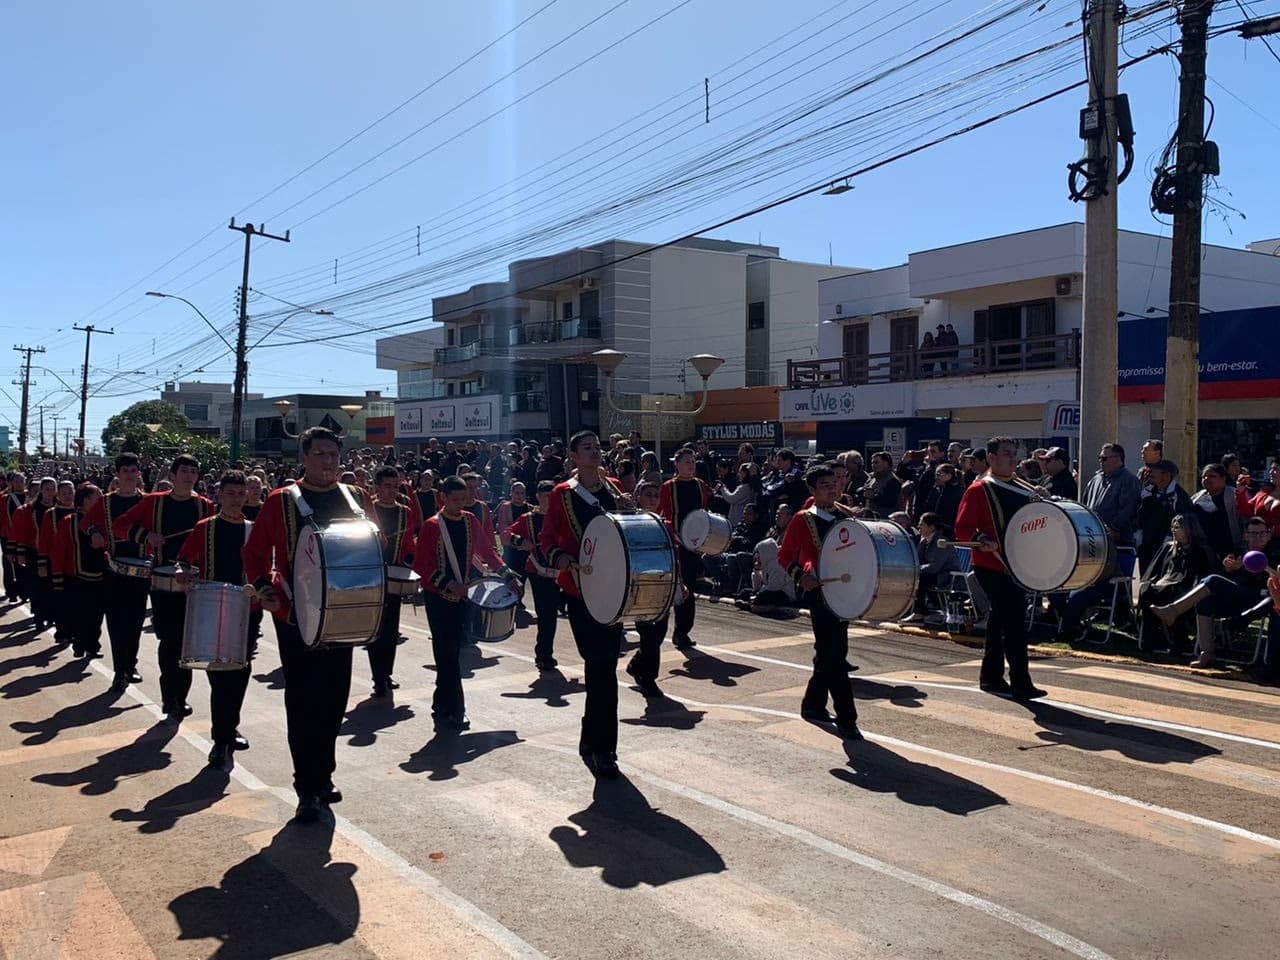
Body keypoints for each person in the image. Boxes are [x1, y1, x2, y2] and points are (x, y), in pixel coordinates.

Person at [242, 427, 369, 823]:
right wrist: (266, 587)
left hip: (343, 616)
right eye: (320, 454)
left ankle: (324, 775)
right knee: (302, 702)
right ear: (304, 457)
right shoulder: (282, 501)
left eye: (334, 454)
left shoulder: (355, 497)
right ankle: (305, 787)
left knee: (333, 700)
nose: (329, 461)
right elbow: (255, 552)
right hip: (296, 615)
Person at [540, 431, 629, 777]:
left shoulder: (615, 487)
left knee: (606, 669)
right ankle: (601, 746)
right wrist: (561, 558)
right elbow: (547, 539)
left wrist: (629, 511)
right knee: (598, 665)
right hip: (580, 590)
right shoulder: (563, 494)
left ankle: (597, 742)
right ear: (574, 456)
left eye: (598, 447)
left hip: (614, 588)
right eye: (587, 448)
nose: (595, 452)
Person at [414, 475, 522, 731]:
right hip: (439, 598)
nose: (459, 504)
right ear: (443, 498)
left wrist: (507, 574)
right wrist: (449, 584)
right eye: (454, 500)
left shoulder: (469, 520)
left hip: (464, 597)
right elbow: (421, 566)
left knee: (452, 655)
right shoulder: (432, 526)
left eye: (463, 499)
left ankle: (442, 705)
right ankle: (455, 710)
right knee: (447, 655)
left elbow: (487, 551)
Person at [113, 454, 215, 720]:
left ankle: (179, 698)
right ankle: (170, 696)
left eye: (193, 471)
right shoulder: (154, 503)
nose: (189, 476)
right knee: (170, 641)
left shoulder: (205, 506)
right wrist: (146, 536)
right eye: (184, 471)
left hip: (193, 583)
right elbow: (120, 525)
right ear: (172, 475)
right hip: (161, 583)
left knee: (187, 643)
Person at [175, 470, 262, 766]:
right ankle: (221, 738)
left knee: (239, 672)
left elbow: (266, 567)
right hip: (212, 608)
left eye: (241, 494)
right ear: (219, 495)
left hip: (247, 610)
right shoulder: (205, 528)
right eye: (231, 494)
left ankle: (228, 728)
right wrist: (183, 573)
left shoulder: (254, 529)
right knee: (219, 675)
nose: (237, 499)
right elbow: (184, 560)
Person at [954, 436, 1047, 699]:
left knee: (1000, 619)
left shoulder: (1023, 487)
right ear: (992, 458)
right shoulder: (979, 489)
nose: (1012, 459)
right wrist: (981, 540)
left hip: (1016, 565)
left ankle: (991, 676)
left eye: (1014, 454)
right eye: (1006, 454)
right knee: (1015, 621)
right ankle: (1021, 681)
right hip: (990, 564)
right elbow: (962, 530)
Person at [777, 463, 862, 739]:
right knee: (835, 655)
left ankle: (812, 705)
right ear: (812, 490)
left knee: (829, 653)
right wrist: (801, 575)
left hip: (844, 593)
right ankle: (847, 718)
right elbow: (785, 555)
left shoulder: (845, 517)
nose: (833, 488)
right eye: (825, 485)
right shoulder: (803, 519)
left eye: (835, 483)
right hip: (819, 593)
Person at [1151, 516, 1279, 667]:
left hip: (1262, 597)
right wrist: (1228, 569)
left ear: (1269, 535)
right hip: (1237, 595)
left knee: (1212, 580)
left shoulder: (1275, 553)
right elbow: (1225, 575)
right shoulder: (1239, 552)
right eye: (1253, 534)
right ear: (1246, 536)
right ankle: (1207, 653)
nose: (1258, 537)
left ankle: (1173, 611)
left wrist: (1262, 567)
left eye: (1262, 533)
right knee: (1206, 599)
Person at [81, 453, 149, 690]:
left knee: (135, 621)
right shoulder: (106, 501)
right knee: (117, 621)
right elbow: (85, 522)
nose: (130, 475)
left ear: (139, 473)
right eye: (125, 471)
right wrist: (94, 533)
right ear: (117, 475)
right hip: (113, 570)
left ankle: (131, 664)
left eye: (133, 470)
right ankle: (121, 669)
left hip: (141, 572)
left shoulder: (148, 501)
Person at [367, 466, 418, 698]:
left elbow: (409, 544)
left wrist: (408, 562)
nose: (391, 491)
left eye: (395, 486)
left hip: (395, 578)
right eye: (387, 486)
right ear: (377, 487)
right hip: (373, 578)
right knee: (376, 630)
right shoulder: (369, 509)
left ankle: (386, 673)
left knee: (391, 629)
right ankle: (378, 677)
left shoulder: (405, 511)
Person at [1136, 513, 1215, 654]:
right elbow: (1153, 571)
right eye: (1172, 527)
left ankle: (1178, 639)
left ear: (1189, 529)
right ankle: (1150, 638)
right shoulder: (1168, 548)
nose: (1173, 530)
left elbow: (1200, 577)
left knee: (1169, 593)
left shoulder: (1200, 551)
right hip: (1163, 586)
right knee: (1147, 590)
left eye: (1177, 527)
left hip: (1185, 590)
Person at [658, 447, 711, 650]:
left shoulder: (701, 486)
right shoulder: (668, 487)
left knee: (688, 589)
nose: (691, 464)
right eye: (686, 461)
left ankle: (682, 632)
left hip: (694, 547)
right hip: (675, 545)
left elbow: (704, 515)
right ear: (676, 465)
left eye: (693, 461)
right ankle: (665, 627)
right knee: (673, 588)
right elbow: (661, 513)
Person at [626, 480, 674, 698]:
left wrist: (678, 581)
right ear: (638, 497)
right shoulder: (630, 522)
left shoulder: (665, 523)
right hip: (640, 586)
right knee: (649, 634)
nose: (653, 499)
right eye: (648, 494)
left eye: (656, 495)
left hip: (663, 585)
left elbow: (673, 556)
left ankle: (637, 664)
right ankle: (648, 679)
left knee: (659, 633)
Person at [51, 483, 109, 659]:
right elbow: (59, 550)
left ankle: (92, 645)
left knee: (97, 614)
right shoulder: (69, 522)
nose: (101, 500)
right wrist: (58, 576)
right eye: (96, 497)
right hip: (75, 576)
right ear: (84, 501)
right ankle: (79, 643)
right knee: (78, 613)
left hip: (100, 575)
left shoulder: (105, 521)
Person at [508, 480, 559, 670]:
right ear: (538, 496)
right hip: (539, 572)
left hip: (563, 572)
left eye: (552, 495)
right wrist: (521, 541)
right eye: (546, 495)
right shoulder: (528, 518)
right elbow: (507, 534)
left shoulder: (561, 517)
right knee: (547, 615)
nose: (549, 499)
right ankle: (544, 654)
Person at [11, 478, 58, 634]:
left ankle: (51, 616)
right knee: (37, 586)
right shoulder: (30, 510)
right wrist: (20, 552)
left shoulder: (61, 508)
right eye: (47, 489)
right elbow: (22, 532)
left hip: (56, 555)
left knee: (53, 586)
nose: (50, 492)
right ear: (41, 491)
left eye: (53, 489)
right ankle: (39, 617)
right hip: (35, 553)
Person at [37, 480, 78, 644]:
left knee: (77, 601)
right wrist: (42, 563)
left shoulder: (80, 512)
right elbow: (44, 539)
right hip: (57, 564)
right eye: (64, 493)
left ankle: (75, 632)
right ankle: (62, 632)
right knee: (61, 599)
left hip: (77, 564)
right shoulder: (51, 514)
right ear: (58, 495)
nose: (68, 496)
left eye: (71, 492)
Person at [1136, 459, 1194, 569]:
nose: (1151, 474)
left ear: (1167, 475)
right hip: (1146, 545)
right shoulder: (1147, 492)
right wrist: (1138, 534)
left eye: (1155, 471)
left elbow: (1182, 521)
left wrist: (1169, 539)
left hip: (1166, 546)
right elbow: (1139, 515)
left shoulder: (1179, 497)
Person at [1083, 443, 1140, 546]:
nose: (1100, 461)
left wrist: (1115, 528)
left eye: (1104, 458)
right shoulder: (1096, 479)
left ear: (1117, 459)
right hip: (1094, 537)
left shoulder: (1128, 480)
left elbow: (1129, 508)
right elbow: (1085, 502)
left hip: (1117, 541)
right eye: (1099, 458)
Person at [905, 512, 958, 620]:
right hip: (933, 575)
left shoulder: (941, 542)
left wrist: (916, 569)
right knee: (911, 577)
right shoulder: (924, 540)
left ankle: (919, 612)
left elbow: (935, 567)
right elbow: (918, 561)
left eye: (922, 524)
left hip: (947, 577)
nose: (918, 526)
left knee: (921, 579)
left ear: (932, 527)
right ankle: (908, 609)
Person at [1192, 464, 1245, 561]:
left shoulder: (1234, 496)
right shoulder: (1196, 498)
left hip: (1230, 553)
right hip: (1204, 554)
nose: (1206, 479)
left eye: (1212, 476)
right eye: (1204, 476)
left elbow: (1245, 520)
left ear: (1223, 478)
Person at [1, 472, 27, 603]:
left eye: (21, 481)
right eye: (16, 481)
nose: (19, 484)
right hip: (8, 536)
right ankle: (11, 592)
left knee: (23, 565)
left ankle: (23, 591)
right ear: (11, 483)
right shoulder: (5, 498)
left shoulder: (30, 497)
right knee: (9, 564)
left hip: (26, 537)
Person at [497, 482, 532, 573]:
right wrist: (519, 542)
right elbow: (503, 531)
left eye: (522, 493)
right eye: (517, 493)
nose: (519, 496)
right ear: (511, 493)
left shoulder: (530, 508)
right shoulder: (505, 507)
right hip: (511, 551)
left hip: (528, 552)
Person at [854, 452, 901, 519]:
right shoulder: (872, 478)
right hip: (868, 518)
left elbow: (890, 502)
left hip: (884, 520)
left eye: (876, 462)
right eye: (872, 463)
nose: (873, 465)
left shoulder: (892, 481)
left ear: (886, 463)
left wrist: (873, 496)